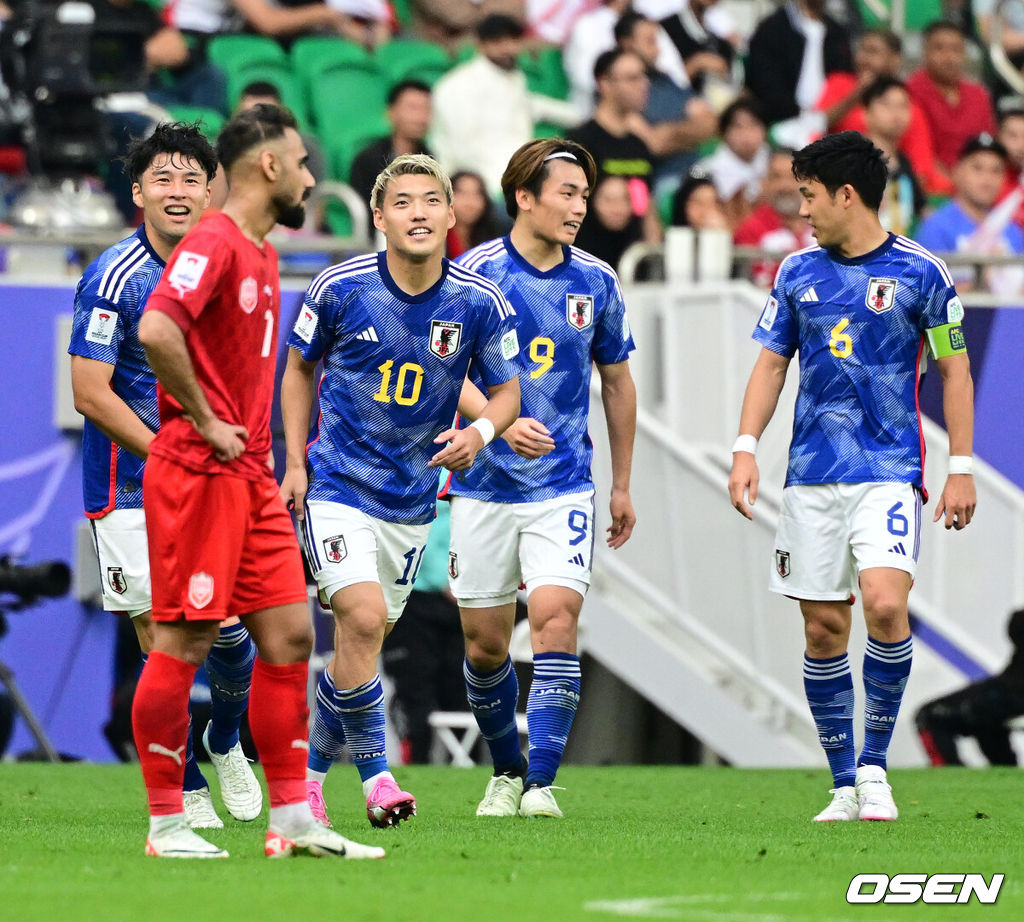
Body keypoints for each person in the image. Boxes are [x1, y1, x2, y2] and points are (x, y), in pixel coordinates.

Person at [131, 104, 383, 860]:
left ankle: (294, 819)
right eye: (303, 161)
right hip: (199, 470)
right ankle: (167, 822)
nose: (312, 175)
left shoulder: (263, 252)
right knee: (184, 638)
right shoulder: (213, 241)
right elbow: (156, 327)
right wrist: (207, 419)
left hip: (250, 476)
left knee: (293, 634)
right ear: (269, 165)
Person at [728, 131, 976, 823]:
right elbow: (772, 363)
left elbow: (954, 367)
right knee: (822, 631)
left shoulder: (923, 274)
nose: (802, 210)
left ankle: (875, 766)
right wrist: (747, 446)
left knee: (886, 604)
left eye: (809, 196)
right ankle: (843, 784)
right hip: (810, 477)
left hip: (889, 470)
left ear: (846, 194)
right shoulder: (796, 274)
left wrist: (960, 466)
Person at [279, 153, 522, 829]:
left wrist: (478, 435)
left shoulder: (477, 302)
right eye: (404, 202)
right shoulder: (340, 287)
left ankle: (308, 782)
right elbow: (298, 370)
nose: (419, 212)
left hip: (412, 504)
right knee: (357, 621)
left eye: (431, 200)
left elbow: (507, 393)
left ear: (452, 214)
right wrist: (296, 463)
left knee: (362, 647)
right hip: (337, 489)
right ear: (380, 217)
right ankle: (380, 778)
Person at [69, 122, 262, 832]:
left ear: (212, 188)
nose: (178, 192)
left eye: (191, 178)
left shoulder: (233, 265)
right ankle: (182, 786)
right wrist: (168, 453)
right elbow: (90, 392)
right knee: (161, 638)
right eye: (163, 179)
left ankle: (226, 738)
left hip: (216, 480)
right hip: (128, 486)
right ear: (138, 191)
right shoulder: (116, 275)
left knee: (232, 633)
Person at [447, 137, 637, 819]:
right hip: (483, 487)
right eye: (567, 193)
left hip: (564, 485)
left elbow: (617, 382)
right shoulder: (471, 276)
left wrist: (620, 483)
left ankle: (541, 784)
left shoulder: (597, 280)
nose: (579, 207)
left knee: (557, 619)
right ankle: (506, 769)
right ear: (524, 197)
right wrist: (494, 422)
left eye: (585, 195)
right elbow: (449, 373)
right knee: (486, 642)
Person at [431, 14, 579, 197]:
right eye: (498, 42)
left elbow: (535, 106)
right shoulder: (458, 86)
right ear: (481, 44)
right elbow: (461, 148)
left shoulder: (513, 78)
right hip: (478, 184)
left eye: (513, 41)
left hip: (518, 175)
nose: (508, 48)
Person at [379, 486, 466, 764]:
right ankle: (415, 767)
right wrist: (445, 579)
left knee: (462, 690)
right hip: (413, 598)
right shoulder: (408, 459)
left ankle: (467, 769)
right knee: (414, 691)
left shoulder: (469, 454)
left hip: (458, 601)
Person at [814, 27, 951, 197]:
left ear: (895, 60)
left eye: (873, 51)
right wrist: (856, 94)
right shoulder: (839, 84)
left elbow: (920, 168)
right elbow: (817, 125)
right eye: (862, 50)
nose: (864, 58)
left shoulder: (908, 106)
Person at [615, 9, 717, 196]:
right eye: (650, 42)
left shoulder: (666, 79)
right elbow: (655, 144)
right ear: (627, 44)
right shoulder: (617, 88)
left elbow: (710, 124)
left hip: (699, 173)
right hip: (662, 182)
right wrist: (691, 134)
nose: (658, 50)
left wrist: (669, 132)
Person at [568, 48, 662, 242]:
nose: (644, 84)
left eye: (644, 77)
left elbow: (644, 207)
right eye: (632, 78)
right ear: (605, 84)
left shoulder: (639, 146)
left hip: (631, 262)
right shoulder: (579, 142)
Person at [915, 134, 1024, 296]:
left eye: (996, 170)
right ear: (957, 172)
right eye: (977, 168)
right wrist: (982, 282)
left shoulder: (1014, 232)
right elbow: (924, 294)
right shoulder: (936, 228)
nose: (987, 179)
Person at [916, 608, 1024, 767]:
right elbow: (1017, 624)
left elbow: (1017, 624)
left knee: (930, 716)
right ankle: (1005, 770)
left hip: (1011, 693)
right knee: (987, 721)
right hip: (1006, 693)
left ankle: (952, 777)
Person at [744, 0, 853, 146]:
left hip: (829, 123)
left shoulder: (837, 32)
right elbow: (763, 79)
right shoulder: (772, 27)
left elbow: (843, 77)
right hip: (780, 120)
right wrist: (795, 114)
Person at [906, 21, 998, 173]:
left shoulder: (978, 95)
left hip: (976, 182)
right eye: (939, 48)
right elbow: (915, 151)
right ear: (925, 51)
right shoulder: (910, 92)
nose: (949, 57)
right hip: (927, 182)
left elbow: (988, 144)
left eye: (956, 49)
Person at [349, 80, 434, 237]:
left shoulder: (433, 161)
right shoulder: (367, 160)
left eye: (426, 109)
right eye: (412, 108)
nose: (421, 117)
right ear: (391, 112)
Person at [733, 148, 814, 287]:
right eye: (776, 177)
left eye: (794, 178)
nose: (785, 186)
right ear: (765, 182)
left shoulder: (825, 224)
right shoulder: (750, 230)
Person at [861, 77, 926, 236]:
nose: (896, 113)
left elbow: (922, 210)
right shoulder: (853, 161)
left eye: (903, 106)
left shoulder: (904, 163)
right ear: (866, 113)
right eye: (887, 105)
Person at [692, 98, 770, 228]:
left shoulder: (777, 166)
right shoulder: (706, 170)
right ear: (724, 133)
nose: (746, 135)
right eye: (738, 127)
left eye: (754, 126)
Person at [573, 173, 644, 269]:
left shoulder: (641, 242)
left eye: (625, 199)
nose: (618, 208)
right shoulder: (573, 245)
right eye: (608, 200)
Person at [447, 170, 505, 259]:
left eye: (477, 194)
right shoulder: (438, 239)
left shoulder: (493, 238)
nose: (470, 202)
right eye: (462, 193)